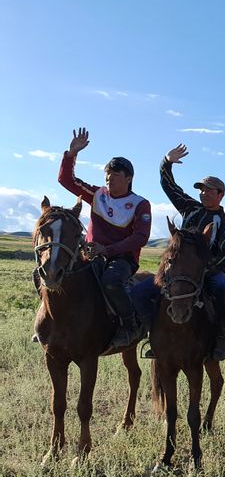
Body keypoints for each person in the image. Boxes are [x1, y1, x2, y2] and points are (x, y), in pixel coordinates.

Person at [133, 144, 225, 361]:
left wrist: (201, 270)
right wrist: (166, 162)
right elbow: (169, 187)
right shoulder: (190, 207)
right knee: (139, 293)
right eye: (201, 189)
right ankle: (153, 334)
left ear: (221, 194)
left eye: (208, 190)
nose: (203, 193)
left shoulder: (224, 223)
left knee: (224, 290)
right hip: (177, 271)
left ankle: (222, 338)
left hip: (206, 273)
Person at [56, 127, 151, 348]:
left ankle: (129, 325)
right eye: (107, 176)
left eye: (115, 176)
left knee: (110, 281)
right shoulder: (98, 195)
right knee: (57, 272)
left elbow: (140, 237)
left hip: (122, 259)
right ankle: (52, 325)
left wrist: (107, 250)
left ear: (128, 178)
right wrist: (71, 154)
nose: (109, 180)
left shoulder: (140, 204)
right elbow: (66, 181)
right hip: (90, 254)